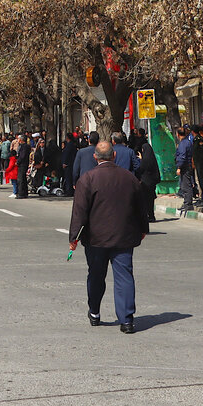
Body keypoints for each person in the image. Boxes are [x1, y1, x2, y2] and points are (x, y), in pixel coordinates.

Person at [68, 141, 150, 334]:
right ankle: (127, 320)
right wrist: (143, 228)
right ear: (114, 156)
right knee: (124, 277)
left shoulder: (87, 179)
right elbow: (141, 207)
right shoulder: (129, 178)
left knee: (96, 275)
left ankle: (95, 312)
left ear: (95, 157)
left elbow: (79, 212)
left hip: (96, 239)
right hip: (124, 236)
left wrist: (74, 237)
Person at [133, 129, 161, 223]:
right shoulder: (151, 159)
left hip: (145, 183)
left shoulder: (145, 160)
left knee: (145, 200)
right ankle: (151, 215)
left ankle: (147, 216)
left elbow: (141, 169)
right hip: (152, 183)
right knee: (150, 201)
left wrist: (140, 160)